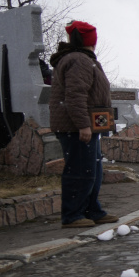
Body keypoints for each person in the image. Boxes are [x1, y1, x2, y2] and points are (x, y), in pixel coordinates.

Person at [48, 21, 119, 227]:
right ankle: (72, 215)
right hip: (76, 127)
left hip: (87, 125)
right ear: (90, 40)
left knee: (92, 171)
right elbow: (75, 95)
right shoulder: (78, 60)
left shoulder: (83, 59)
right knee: (80, 171)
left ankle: (91, 209)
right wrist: (83, 124)